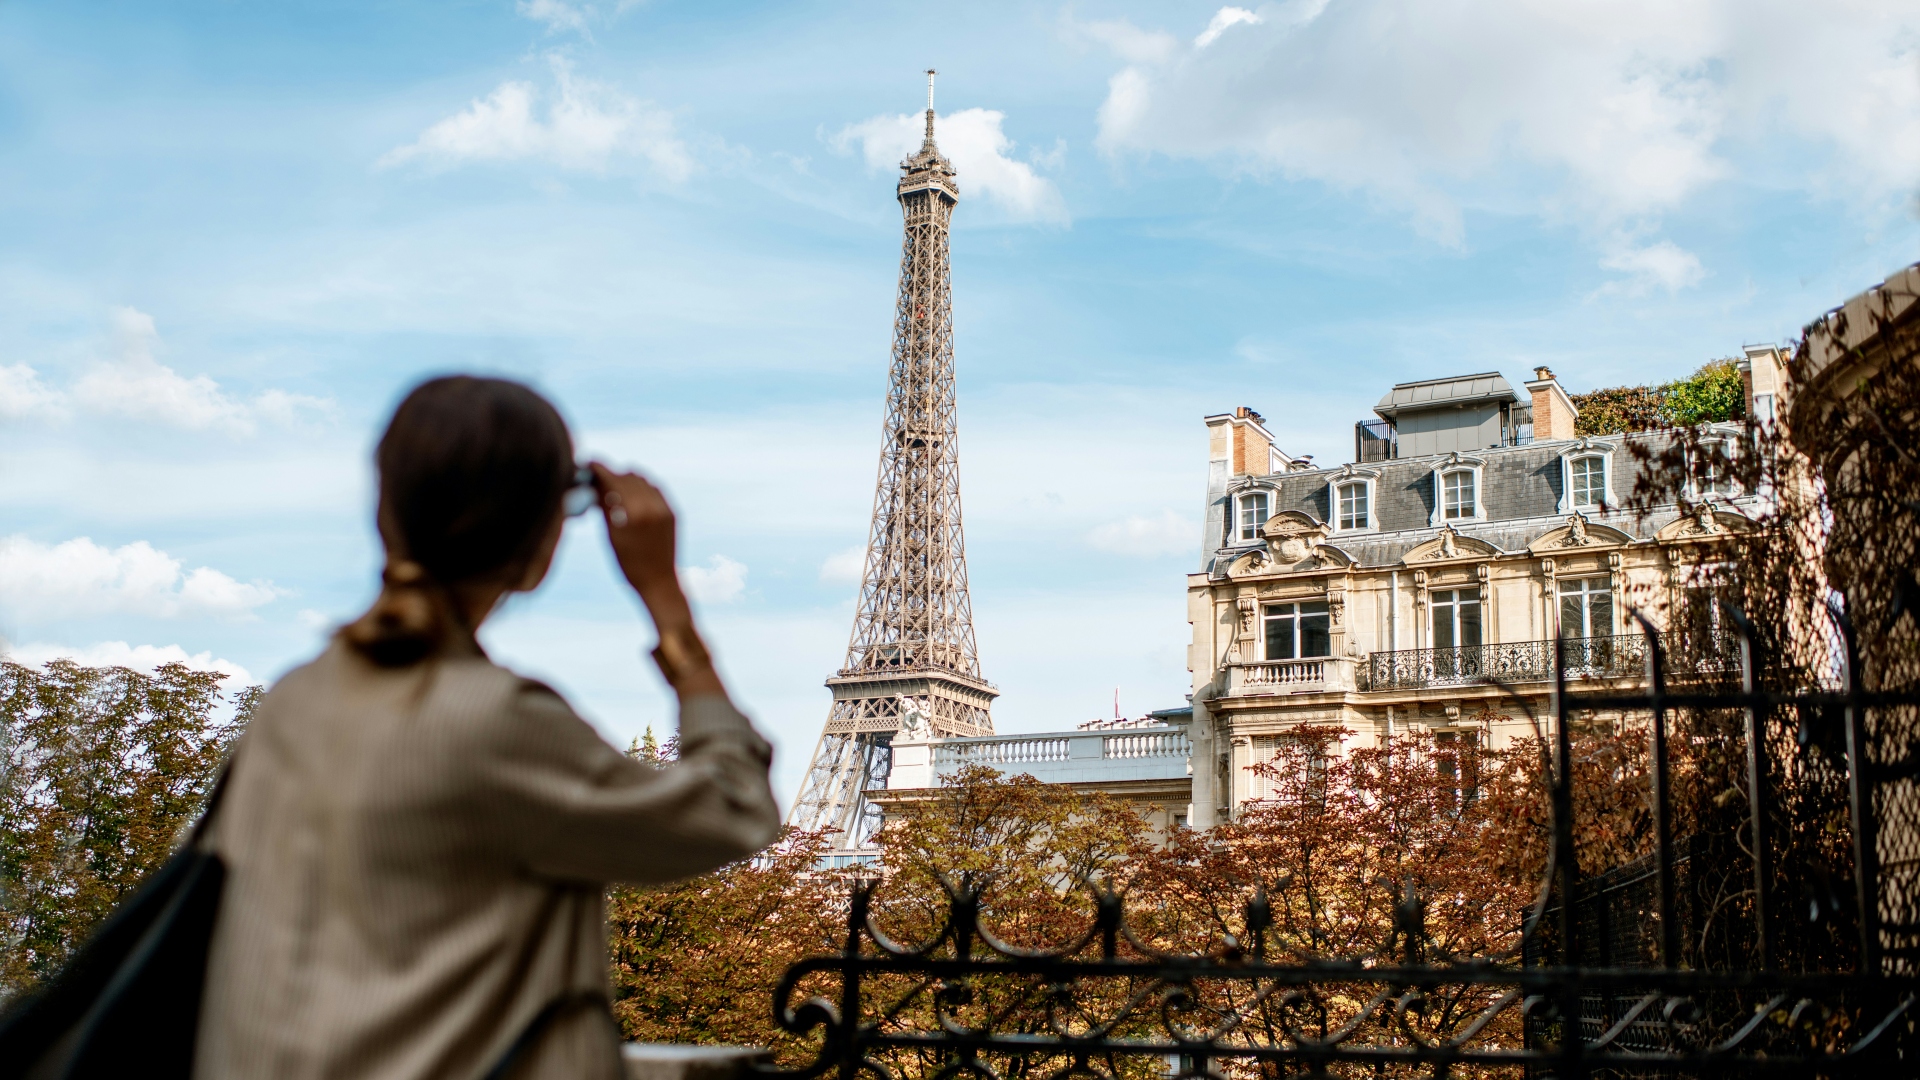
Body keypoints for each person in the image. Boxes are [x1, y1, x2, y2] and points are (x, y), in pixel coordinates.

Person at [193, 376, 780, 1079]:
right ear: (543, 544)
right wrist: (666, 601)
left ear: (384, 515)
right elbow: (736, 808)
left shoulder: (296, 700)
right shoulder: (499, 722)